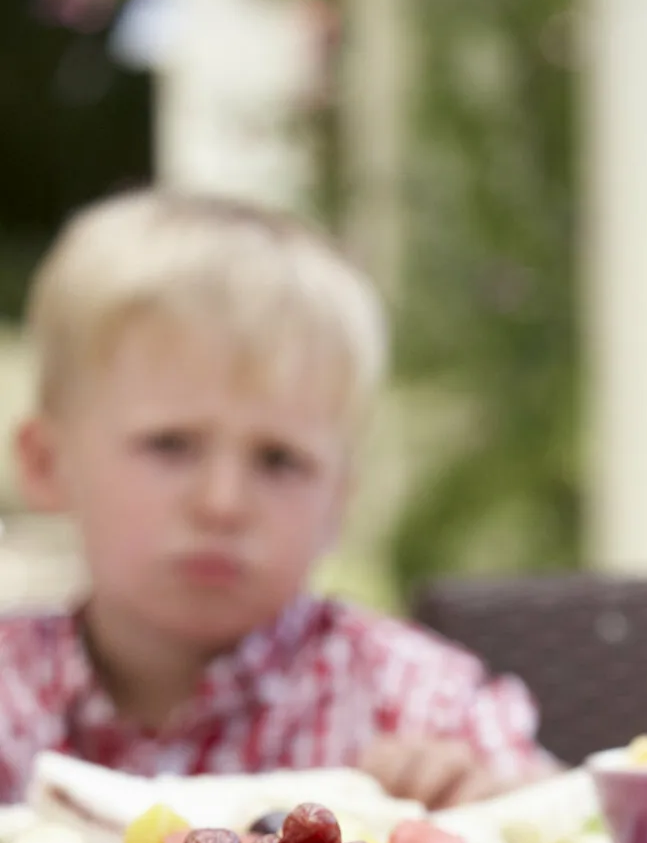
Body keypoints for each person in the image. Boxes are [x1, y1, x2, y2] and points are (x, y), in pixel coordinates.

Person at [0, 190, 549, 807]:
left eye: (280, 460)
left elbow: (567, 836)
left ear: (338, 503)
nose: (222, 503)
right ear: (46, 463)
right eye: (171, 446)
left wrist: (486, 803)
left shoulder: (415, 703)